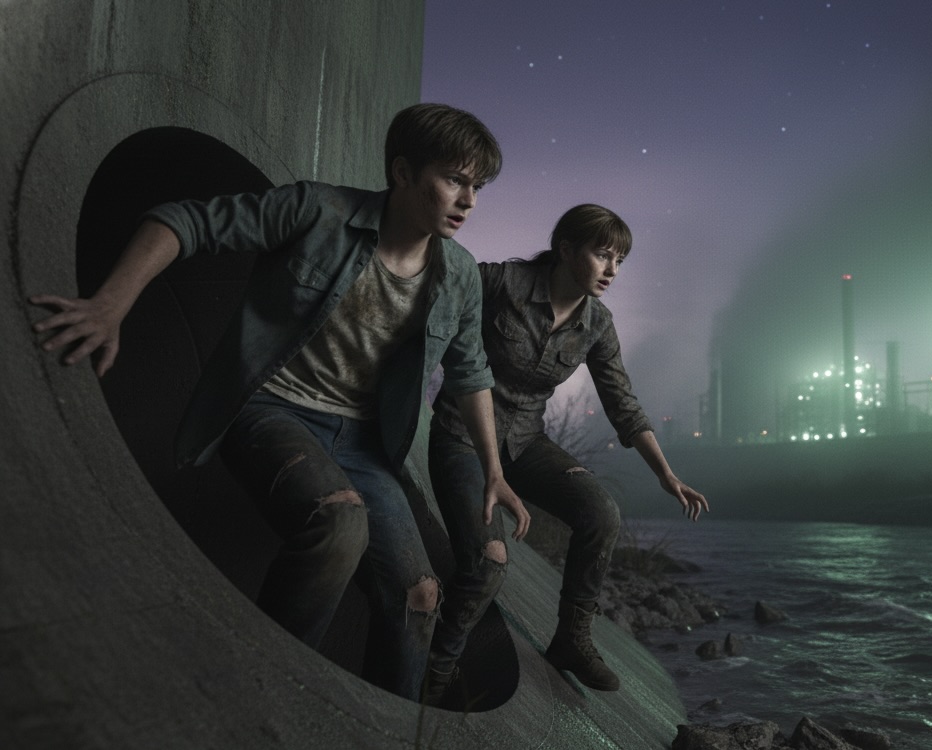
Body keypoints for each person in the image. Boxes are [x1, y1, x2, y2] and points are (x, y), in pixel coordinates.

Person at [28, 103, 529, 701]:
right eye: (454, 179)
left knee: (420, 597)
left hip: (363, 445)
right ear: (402, 172)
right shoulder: (319, 210)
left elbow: (469, 372)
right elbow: (183, 222)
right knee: (340, 525)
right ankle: (269, 703)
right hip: (272, 411)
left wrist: (493, 471)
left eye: (477, 186)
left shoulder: (460, 275)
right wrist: (109, 305)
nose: (468, 200)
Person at [423, 203, 708, 701]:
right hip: (461, 436)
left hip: (527, 443)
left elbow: (622, 402)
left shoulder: (597, 323)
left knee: (601, 512)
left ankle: (572, 641)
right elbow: (434, 284)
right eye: (603, 256)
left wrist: (666, 474)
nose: (613, 271)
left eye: (621, 260)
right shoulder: (502, 283)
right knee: (490, 561)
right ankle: (438, 671)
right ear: (565, 249)